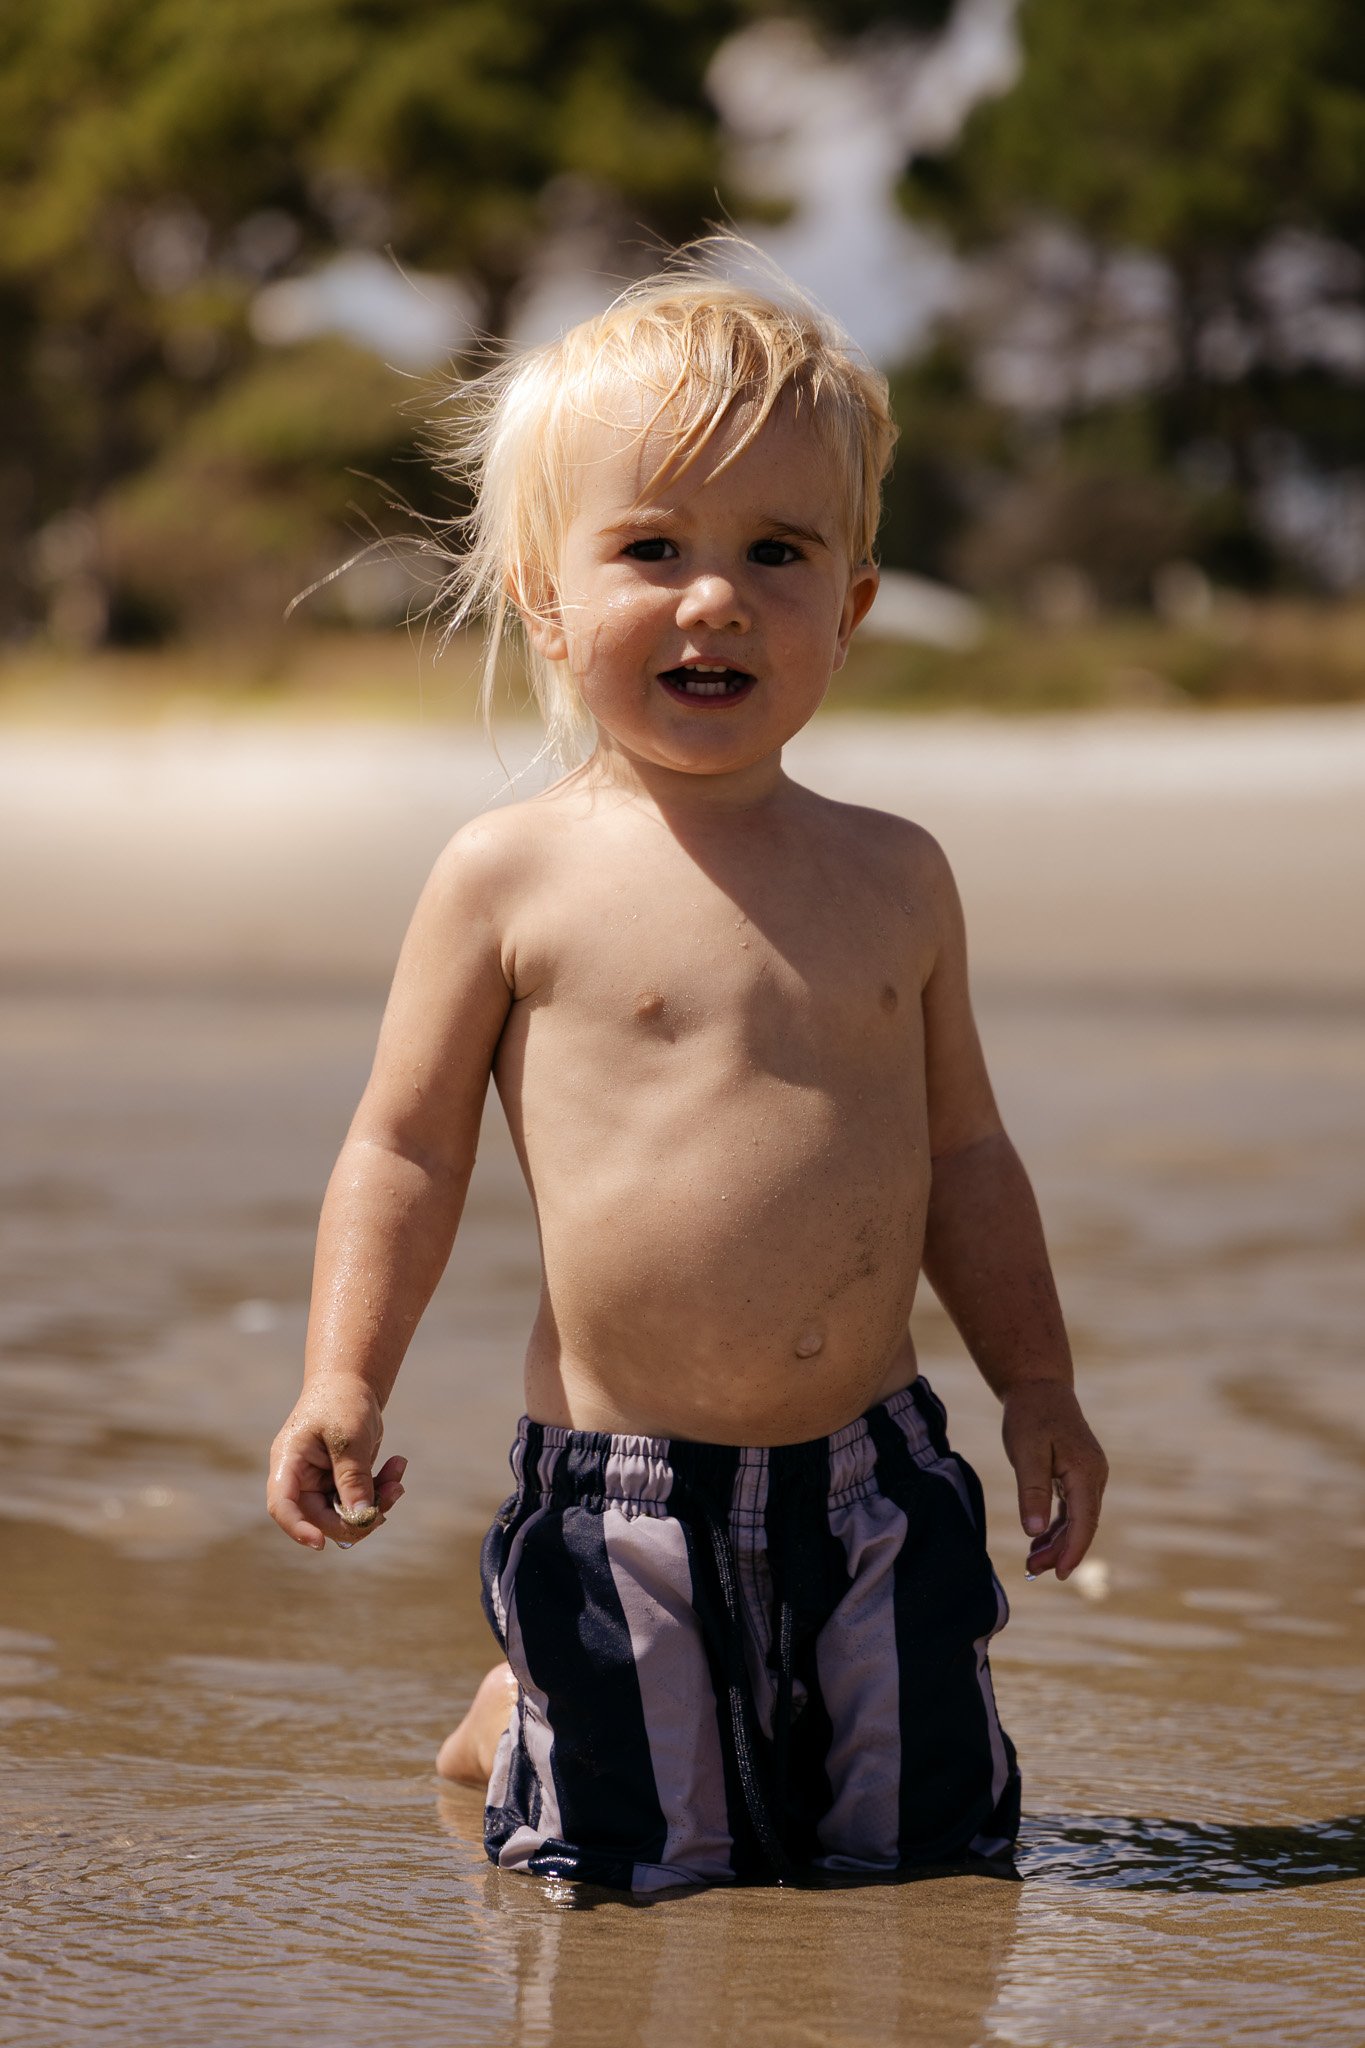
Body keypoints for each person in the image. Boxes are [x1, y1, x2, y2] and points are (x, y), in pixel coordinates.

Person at [266, 241, 1108, 1893]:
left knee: (923, 1850)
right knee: (641, 1866)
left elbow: (965, 1157)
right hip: (622, 1488)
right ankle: (520, 1714)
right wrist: (342, 1376)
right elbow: (406, 1152)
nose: (713, 598)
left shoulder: (897, 874)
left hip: (876, 1473)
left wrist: (1039, 1388)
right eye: (651, 547)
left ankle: (719, 1722)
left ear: (849, 608)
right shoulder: (509, 877)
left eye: (775, 552)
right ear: (546, 598)